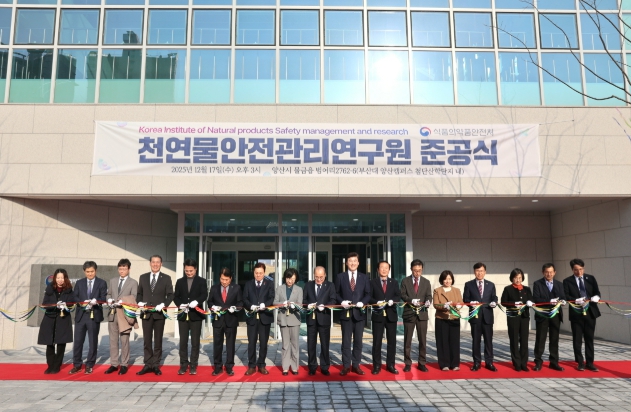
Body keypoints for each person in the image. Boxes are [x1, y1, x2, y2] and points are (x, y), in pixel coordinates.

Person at [136, 255, 174, 376]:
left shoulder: (166, 278)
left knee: (158, 340)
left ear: (161, 264)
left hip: (159, 314)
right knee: (147, 340)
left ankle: (156, 364)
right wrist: (139, 302)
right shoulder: (143, 277)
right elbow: (139, 294)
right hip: (146, 313)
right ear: (150, 263)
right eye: (153, 262)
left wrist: (164, 304)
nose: (155, 264)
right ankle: (148, 364)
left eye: (158, 262)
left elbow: (170, 295)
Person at [334, 251, 371, 376]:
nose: (353, 263)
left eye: (355, 261)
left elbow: (368, 294)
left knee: (358, 341)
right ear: (346, 263)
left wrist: (363, 302)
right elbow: (336, 293)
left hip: (359, 314)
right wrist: (341, 301)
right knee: (346, 341)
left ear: (358, 263)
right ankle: (346, 366)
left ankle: (356, 365)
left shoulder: (364, 277)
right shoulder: (340, 277)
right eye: (350, 261)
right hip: (346, 314)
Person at [69, 261, 107, 375]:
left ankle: (89, 364)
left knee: (92, 341)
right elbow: (74, 297)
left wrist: (96, 301)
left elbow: (103, 298)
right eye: (87, 272)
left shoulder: (102, 283)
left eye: (92, 271)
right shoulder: (79, 283)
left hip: (94, 315)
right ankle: (77, 364)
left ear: (96, 271)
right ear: (84, 271)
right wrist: (82, 302)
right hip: (81, 315)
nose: (90, 274)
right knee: (78, 341)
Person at [563, 258, 601, 372]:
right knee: (577, 339)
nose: (579, 272)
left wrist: (596, 297)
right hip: (576, 313)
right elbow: (566, 296)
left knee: (589, 338)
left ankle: (590, 362)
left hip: (590, 312)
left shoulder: (590, 278)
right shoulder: (567, 281)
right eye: (576, 270)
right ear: (572, 269)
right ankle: (580, 362)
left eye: (581, 269)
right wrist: (575, 300)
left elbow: (597, 292)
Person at [174, 258, 208, 376]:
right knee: (183, 341)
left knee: (195, 341)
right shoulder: (180, 281)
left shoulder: (201, 281)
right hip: (183, 314)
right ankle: (183, 364)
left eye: (191, 271)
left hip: (196, 315)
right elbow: (176, 296)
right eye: (186, 271)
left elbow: (204, 294)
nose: (189, 273)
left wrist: (197, 302)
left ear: (195, 269)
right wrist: (180, 304)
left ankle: (193, 364)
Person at [104, 258, 138, 376]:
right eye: (120, 269)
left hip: (124, 315)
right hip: (113, 314)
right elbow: (109, 293)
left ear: (129, 269)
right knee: (113, 340)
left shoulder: (133, 282)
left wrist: (122, 300)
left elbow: (134, 297)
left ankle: (124, 364)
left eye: (124, 269)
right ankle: (114, 364)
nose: (122, 271)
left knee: (124, 341)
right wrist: (109, 299)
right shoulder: (113, 281)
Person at [463, 262, 498, 372]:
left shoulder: (490, 285)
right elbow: (465, 299)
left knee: (488, 341)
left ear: (485, 272)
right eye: (477, 271)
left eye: (481, 271)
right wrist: (471, 302)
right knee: (476, 341)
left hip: (487, 317)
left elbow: (494, 297)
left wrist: (494, 302)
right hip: (475, 317)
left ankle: (489, 362)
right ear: (474, 272)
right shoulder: (469, 285)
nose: (479, 273)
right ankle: (476, 362)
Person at [38, 269, 74, 374]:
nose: (60, 280)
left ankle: (57, 365)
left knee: (61, 343)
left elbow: (72, 304)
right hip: (50, 318)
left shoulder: (69, 290)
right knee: (49, 343)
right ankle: (50, 365)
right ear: (54, 278)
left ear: (65, 278)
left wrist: (65, 305)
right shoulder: (49, 289)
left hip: (63, 318)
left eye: (62, 278)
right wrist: (55, 305)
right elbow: (45, 303)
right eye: (58, 278)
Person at [208, 268, 242, 376]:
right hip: (218, 320)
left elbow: (240, 302)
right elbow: (210, 301)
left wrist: (235, 308)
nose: (224, 282)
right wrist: (213, 307)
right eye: (222, 279)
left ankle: (229, 366)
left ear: (230, 278)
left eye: (226, 279)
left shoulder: (236, 288)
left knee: (230, 345)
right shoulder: (214, 288)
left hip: (231, 320)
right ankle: (217, 366)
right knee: (217, 344)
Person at [532, 263, 566, 372]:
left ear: (555, 272)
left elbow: (563, 296)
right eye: (547, 272)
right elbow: (536, 298)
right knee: (540, 339)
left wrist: (563, 301)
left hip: (555, 315)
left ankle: (554, 362)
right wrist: (549, 301)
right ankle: (538, 362)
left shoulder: (559, 284)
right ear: (543, 272)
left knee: (554, 339)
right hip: (542, 315)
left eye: (551, 272)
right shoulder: (537, 284)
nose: (549, 274)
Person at [400, 259, 432, 372]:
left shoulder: (426, 282)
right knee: (407, 340)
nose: (417, 273)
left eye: (419, 270)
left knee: (422, 340)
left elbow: (429, 296)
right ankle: (407, 363)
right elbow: (402, 295)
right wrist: (411, 300)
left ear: (422, 270)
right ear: (411, 269)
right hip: (409, 313)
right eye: (415, 270)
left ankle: (422, 362)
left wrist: (428, 302)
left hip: (422, 314)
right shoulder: (405, 281)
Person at [369, 260, 401, 375]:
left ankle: (390, 365)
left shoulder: (394, 282)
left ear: (389, 269)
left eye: (386, 268)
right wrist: (376, 302)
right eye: (381, 267)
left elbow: (398, 295)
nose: (384, 270)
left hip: (391, 315)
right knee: (377, 341)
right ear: (378, 270)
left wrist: (393, 301)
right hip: (378, 315)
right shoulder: (372, 282)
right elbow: (369, 297)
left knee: (392, 341)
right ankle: (376, 365)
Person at [303, 266, 336, 376]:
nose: (319, 279)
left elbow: (333, 300)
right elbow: (304, 300)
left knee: (325, 344)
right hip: (311, 319)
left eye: (321, 277)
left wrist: (325, 306)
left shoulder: (330, 285)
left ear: (325, 275)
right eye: (317, 277)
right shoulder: (308, 285)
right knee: (311, 344)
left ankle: (325, 366)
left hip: (324, 318)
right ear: (314, 275)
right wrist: (308, 305)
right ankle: (312, 366)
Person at [243, 262, 275, 375]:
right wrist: (250, 306)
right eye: (256, 273)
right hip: (252, 317)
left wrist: (265, 305)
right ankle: (251, 365)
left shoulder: (269, 283)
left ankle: (261, 365)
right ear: (253, 273)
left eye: (260, 273)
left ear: (264, 272)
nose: (258, 275)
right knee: (251, 342)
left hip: (264, 317)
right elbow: (244, 299)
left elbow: (272, 297)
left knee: (263, 343)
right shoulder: (248, 284)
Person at [501, 268, 533, 372]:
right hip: (513, 317)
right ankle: (517, 363)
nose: (518, 280)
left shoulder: (526, 289)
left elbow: (531, 300)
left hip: (524, 317)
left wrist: (530, 302)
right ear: (512, 278)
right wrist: (514, 303)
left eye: (520, 277)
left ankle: (524, 363)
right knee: (514, 339)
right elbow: (503, 302)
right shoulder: (508, 289)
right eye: (516, 278)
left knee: (524, 340)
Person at [274, 268, 303, 376]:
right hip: (283, 319)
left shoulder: (299, 289)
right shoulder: (280, 288)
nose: (290, 281)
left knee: (295, 344)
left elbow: (300, 303)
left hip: (294, 319)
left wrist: (294, 305)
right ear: (285, 278)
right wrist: (283, 303)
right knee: (285, 345)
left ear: (296, 279)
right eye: (288, 278)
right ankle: (285, 367)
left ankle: (295, 367)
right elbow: (275, 302)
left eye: (292, 279)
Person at [433, 270, 462, 371]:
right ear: (442, 280)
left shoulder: (457, 290)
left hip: (454, 318)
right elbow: (436, 304)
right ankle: (444, 364)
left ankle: (455, 363)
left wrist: (458, 306)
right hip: (441, 318)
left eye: (449, 279)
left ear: (452, 279)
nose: (447, 281)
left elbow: (460, 302)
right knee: (442, 341)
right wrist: (444, 306)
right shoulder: (437, 290)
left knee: (454, 341)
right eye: (445, 279)